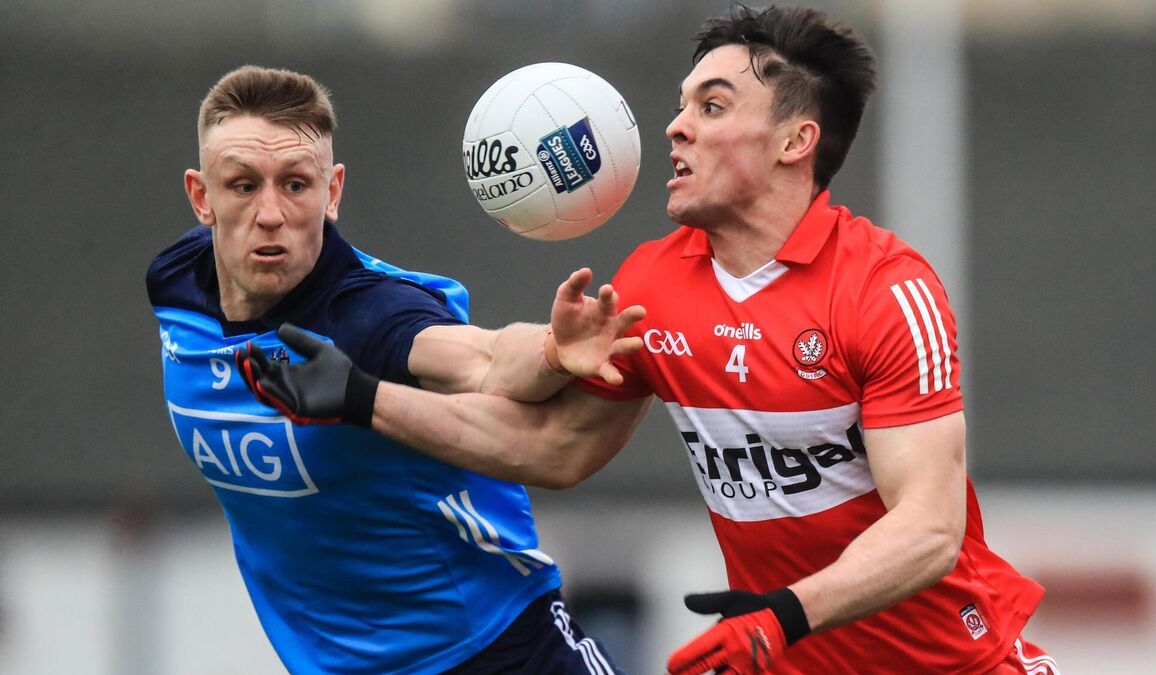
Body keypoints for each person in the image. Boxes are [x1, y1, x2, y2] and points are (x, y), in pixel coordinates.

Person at [240, 6, 1061, 674]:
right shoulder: (656, 284)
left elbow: (928, 529)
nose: (674, 128)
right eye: (681, 105)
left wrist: (784, 614)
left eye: (711, 107)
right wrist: (364, 397)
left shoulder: (886, 290)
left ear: (795, 141)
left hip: (955, 662)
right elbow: (555, 448)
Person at [146, 65, 644, 674]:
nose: (270, 212)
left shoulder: (370, 313)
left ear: (332, 193)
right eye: (243, 185)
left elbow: (482, 358)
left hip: (499, 650)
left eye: (296, 184)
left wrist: (552, 349)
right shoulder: (175, 283)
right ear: (202, 197)